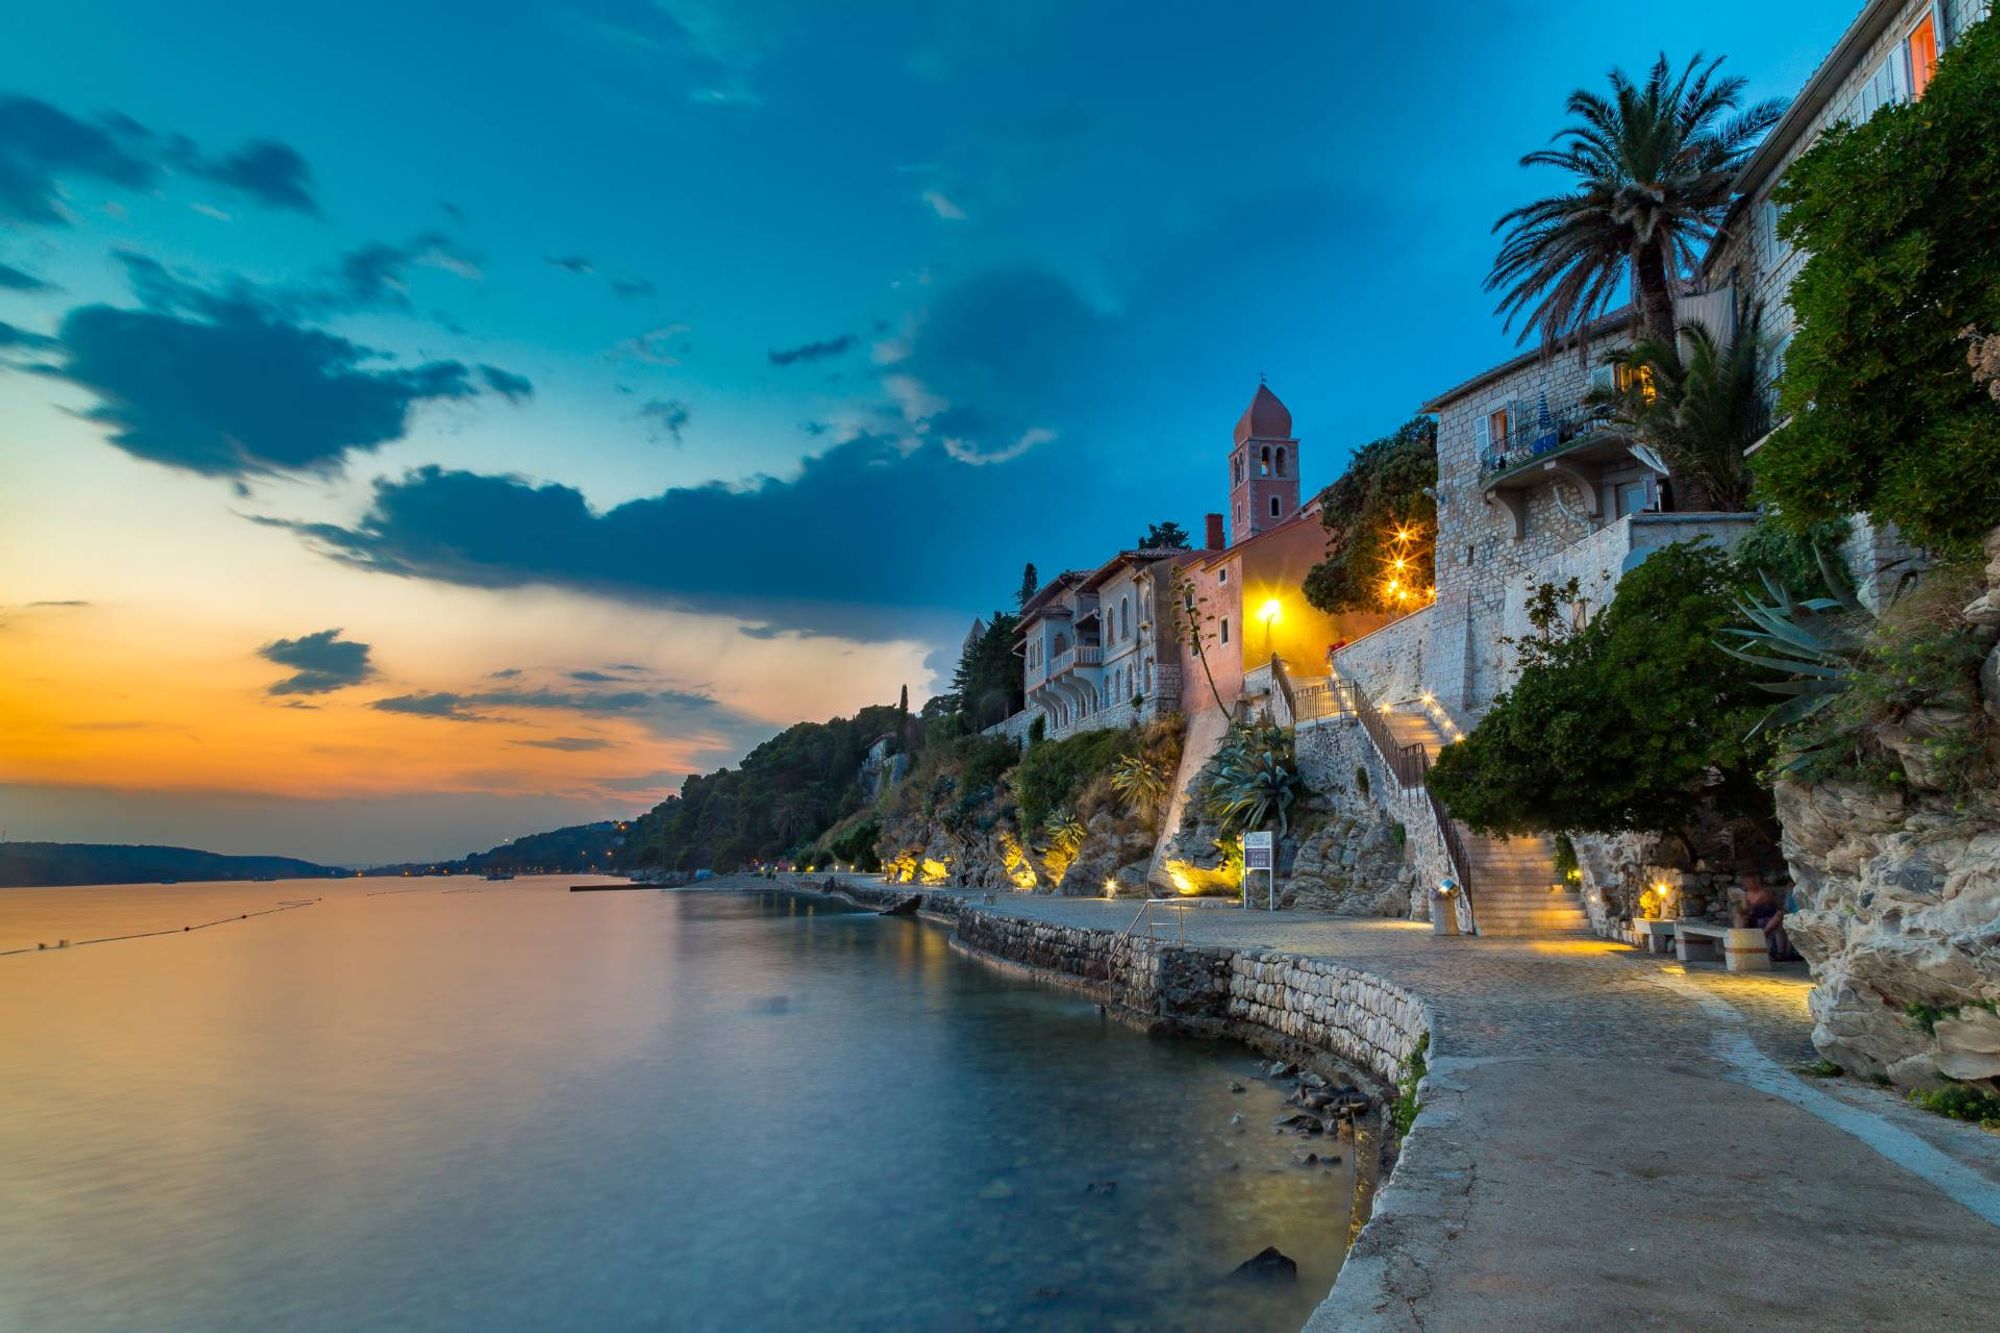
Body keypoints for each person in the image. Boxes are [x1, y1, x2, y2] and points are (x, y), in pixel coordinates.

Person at [1740, 873, 1790, 961]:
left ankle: (1763, 936)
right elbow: (1746, 910)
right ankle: (1739, 938)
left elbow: (1764, 905)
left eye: (1749, 882)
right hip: (1754, 919)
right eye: (1745, 882)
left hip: (1767, 918)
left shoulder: (1765, 893)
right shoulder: (1746, 895)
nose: (1747, 884)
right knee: (1739, 916)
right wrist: (1742, 908)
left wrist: (1750, 906)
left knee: (1779, 916)